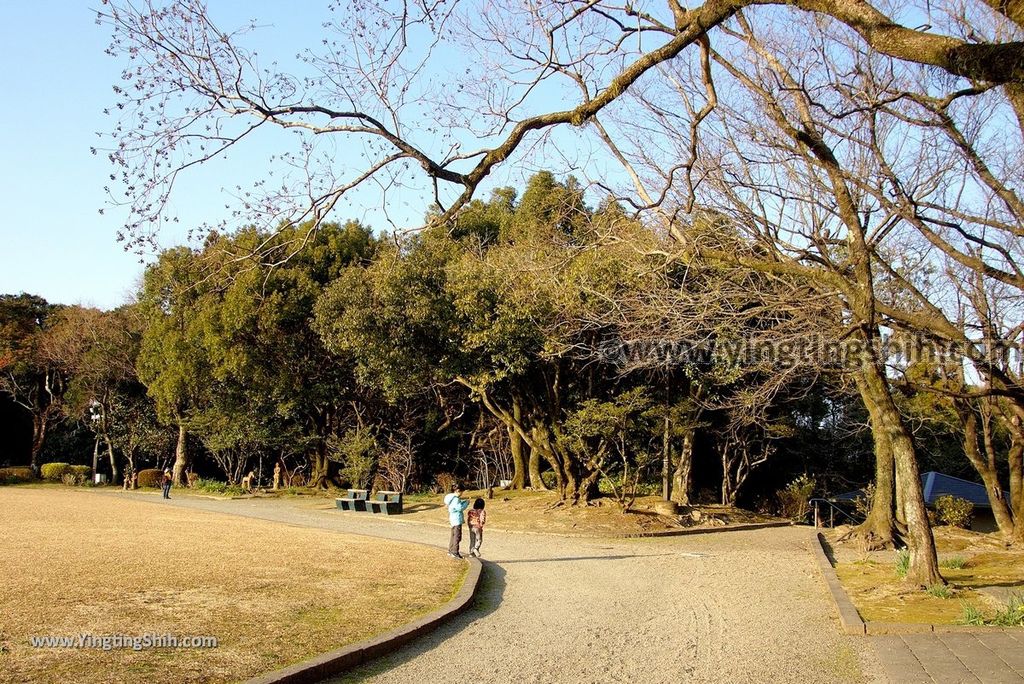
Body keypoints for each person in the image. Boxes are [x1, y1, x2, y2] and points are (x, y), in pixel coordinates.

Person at [443, 484, 469, 558]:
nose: (462, 494)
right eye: (462, 492)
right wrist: (466, 503)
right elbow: (459, 508)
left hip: (453, 519)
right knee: (457, 536)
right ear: (458, 491)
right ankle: (455, 552)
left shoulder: (451, 498)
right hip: (457, 519)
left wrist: (463, 501)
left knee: (453, 535)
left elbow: (457, 505)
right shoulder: (455, 499)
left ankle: (451, 550)